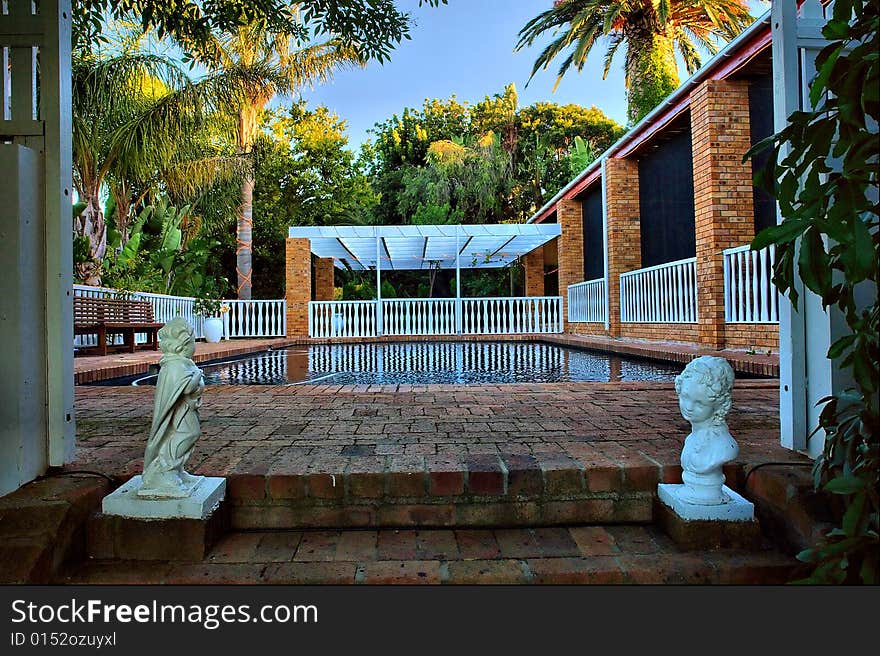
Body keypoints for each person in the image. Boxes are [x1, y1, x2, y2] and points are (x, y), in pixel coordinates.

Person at [139, 317, 205, 498]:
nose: (195, 346)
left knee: (185, 433)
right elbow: (188, 387)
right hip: (180, 411)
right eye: (193, 342)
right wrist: (198, 374)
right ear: (184, 345)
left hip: (183, 409)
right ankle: (164, 470)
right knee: (188, 433)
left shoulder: (182, 363)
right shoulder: (174, 366)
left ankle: (176, 469)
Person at [675, 356, 738, 505]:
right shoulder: (691, 439)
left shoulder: (723, 446)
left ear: (718, 404)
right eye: (685, 397)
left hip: (710, 492)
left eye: (699, 403)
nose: (688, 407)